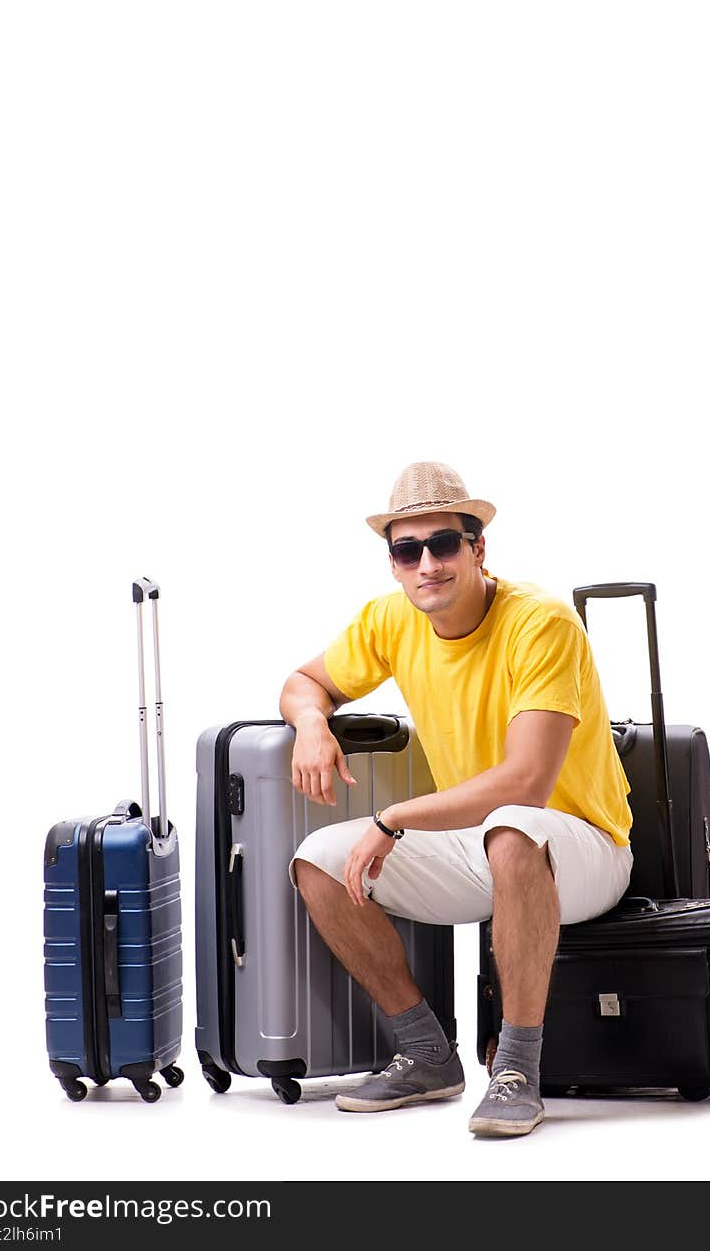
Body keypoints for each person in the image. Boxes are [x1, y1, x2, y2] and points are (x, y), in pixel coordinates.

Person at [279, 461, 633, 1137]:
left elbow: (525, 783)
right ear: (393, 563)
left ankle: (518, 1070)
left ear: (478, 550)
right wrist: (311, 726)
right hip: (484, 842)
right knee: (317, 860)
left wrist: (394, 819)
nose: (427, 565)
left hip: (582, 846)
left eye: (443, 544)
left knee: (512, 827)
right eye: (407, 551)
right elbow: (302, 680)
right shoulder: (390, 621)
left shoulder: (541, 624)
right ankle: (425, 1052)